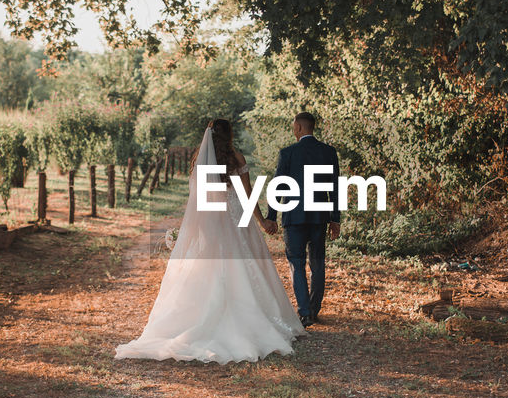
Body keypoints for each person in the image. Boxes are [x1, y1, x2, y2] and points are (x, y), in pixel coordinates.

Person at [115, 119, 305, 363]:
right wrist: (262, 221)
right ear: (229, 134)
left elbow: (196, 200)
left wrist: (191, 231)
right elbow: (247, 195)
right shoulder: (236, 157)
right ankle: (251, 317)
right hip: (237, 217)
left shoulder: (201, 158)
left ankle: (201, 316)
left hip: (212, 218)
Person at [263, 112, 340, 327]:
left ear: (298, 127)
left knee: (296, 263)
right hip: (319, 216)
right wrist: (335, 219)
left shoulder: (288, 153)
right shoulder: (328, 152)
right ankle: (314, 310)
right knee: (318, 263)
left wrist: (271, 216)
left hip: (293, 216)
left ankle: (305, 313)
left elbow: (279, 186)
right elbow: (334, 187)